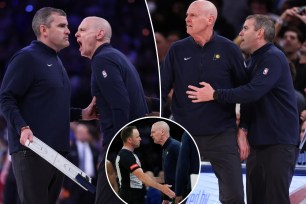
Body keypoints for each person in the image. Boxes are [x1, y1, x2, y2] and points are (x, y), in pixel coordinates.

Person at [187, 14, 300, 204]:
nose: (240, 33)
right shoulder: (253, 61)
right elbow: (249, 101)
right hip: (259, 142)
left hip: (279, 142)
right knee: (255, 199)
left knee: (275, 200)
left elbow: (252, 93)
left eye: (246, 28)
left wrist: (215, 94)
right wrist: (244, 128)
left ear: (260, 33)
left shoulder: (274, 57)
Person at [0, 7, 97, 204]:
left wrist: (82, 114)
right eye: (62, 26)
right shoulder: (26, 57)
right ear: (44, 30)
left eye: (67, 26)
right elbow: (6, 99)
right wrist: (22, 127)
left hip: (58, 153)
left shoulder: (57, 61)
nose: (69, 31)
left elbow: (51, 111)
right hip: (33, 149)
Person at [161, 0, 247, 203]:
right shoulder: (177, 50)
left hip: (221, 135)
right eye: (186, 15)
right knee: (176, 192)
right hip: (184, 134)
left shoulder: (230, 49)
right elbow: (163, 90)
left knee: (234, 195)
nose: (186, 19)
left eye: (192, 15)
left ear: (210, 20)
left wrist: (244, 129)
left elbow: (245, 92)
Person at [75, 17, 149, 204]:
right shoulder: (117, 56)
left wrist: (115, 150)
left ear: (100, 34)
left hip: (118, 147)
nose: (76, 34)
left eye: (83, 30)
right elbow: (133, 100)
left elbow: (121, 103)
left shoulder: (103, 59)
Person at [115, 126, 175, 204]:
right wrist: (162, 188)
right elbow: (142, 177)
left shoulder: (130, 154)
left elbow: (138, 179)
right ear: (129, 140)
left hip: (136, 196)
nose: (140, 139)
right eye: (137, 137)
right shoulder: (125, 155)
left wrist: (162, 180)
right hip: (130, 198)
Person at [150, 121, 180, 204]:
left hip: (180, 196)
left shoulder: (175, 146)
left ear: (162, 132)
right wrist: (166, 198)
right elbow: (168, 176)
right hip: (172, 196)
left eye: (153, 132)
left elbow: (186, 170)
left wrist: (180, 194)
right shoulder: (164, 149)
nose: (151, 135)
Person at [174, 132, 200, 204]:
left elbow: (182, 164)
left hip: (195, 183)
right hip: (216, 181)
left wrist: (178, 192)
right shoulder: (220, 129)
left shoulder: (188, 133)